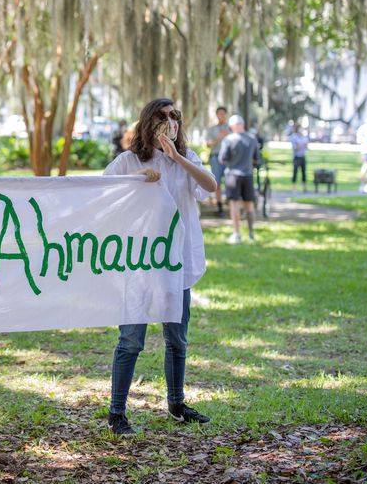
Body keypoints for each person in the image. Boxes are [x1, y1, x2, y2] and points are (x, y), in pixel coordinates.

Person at [102, 98, 217, 435]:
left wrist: (177, 158)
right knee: (131, 339)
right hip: (139, 261)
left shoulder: (187, 160)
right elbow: (103, 194)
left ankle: (177, 404)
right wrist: (138, 178)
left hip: (177, 261)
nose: (170, 121)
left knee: (177, 338)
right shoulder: (128, 160)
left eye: (174, 116)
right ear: (148, 122)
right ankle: (117, 413)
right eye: (162, 116)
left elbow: (210, 187)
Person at [219, 115, 261, 243]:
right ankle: (251, 233)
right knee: (249, 205)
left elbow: (222, 159)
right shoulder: (252, 139)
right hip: (248, 174)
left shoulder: (228, 139)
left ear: (232, 126)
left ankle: (236, 234)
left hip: (233, 175)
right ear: (242, 124)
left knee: (234, 205)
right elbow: (258, 159)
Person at [204, 107, 230, 215]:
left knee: (230, 183)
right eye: (219, 114)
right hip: (215, 157)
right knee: (217, 183)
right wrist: (218, 138)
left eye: (223, 114)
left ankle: (231, 205)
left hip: (229, 159)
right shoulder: (212, 129)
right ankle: (219, 208)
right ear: (216, 115)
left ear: (226, 114)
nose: (221, 116)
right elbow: (208, 144)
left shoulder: (231, 128)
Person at [288, 124, 309, 192]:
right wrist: (300, 145)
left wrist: (305, 145)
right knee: (295, 172)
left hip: (303, 156)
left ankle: (304, 187)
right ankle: (294, 187)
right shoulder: (294, 137)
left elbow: (306, 146)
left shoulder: (304, 137)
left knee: (304, 172)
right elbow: (295, 148)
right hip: (297, 157)